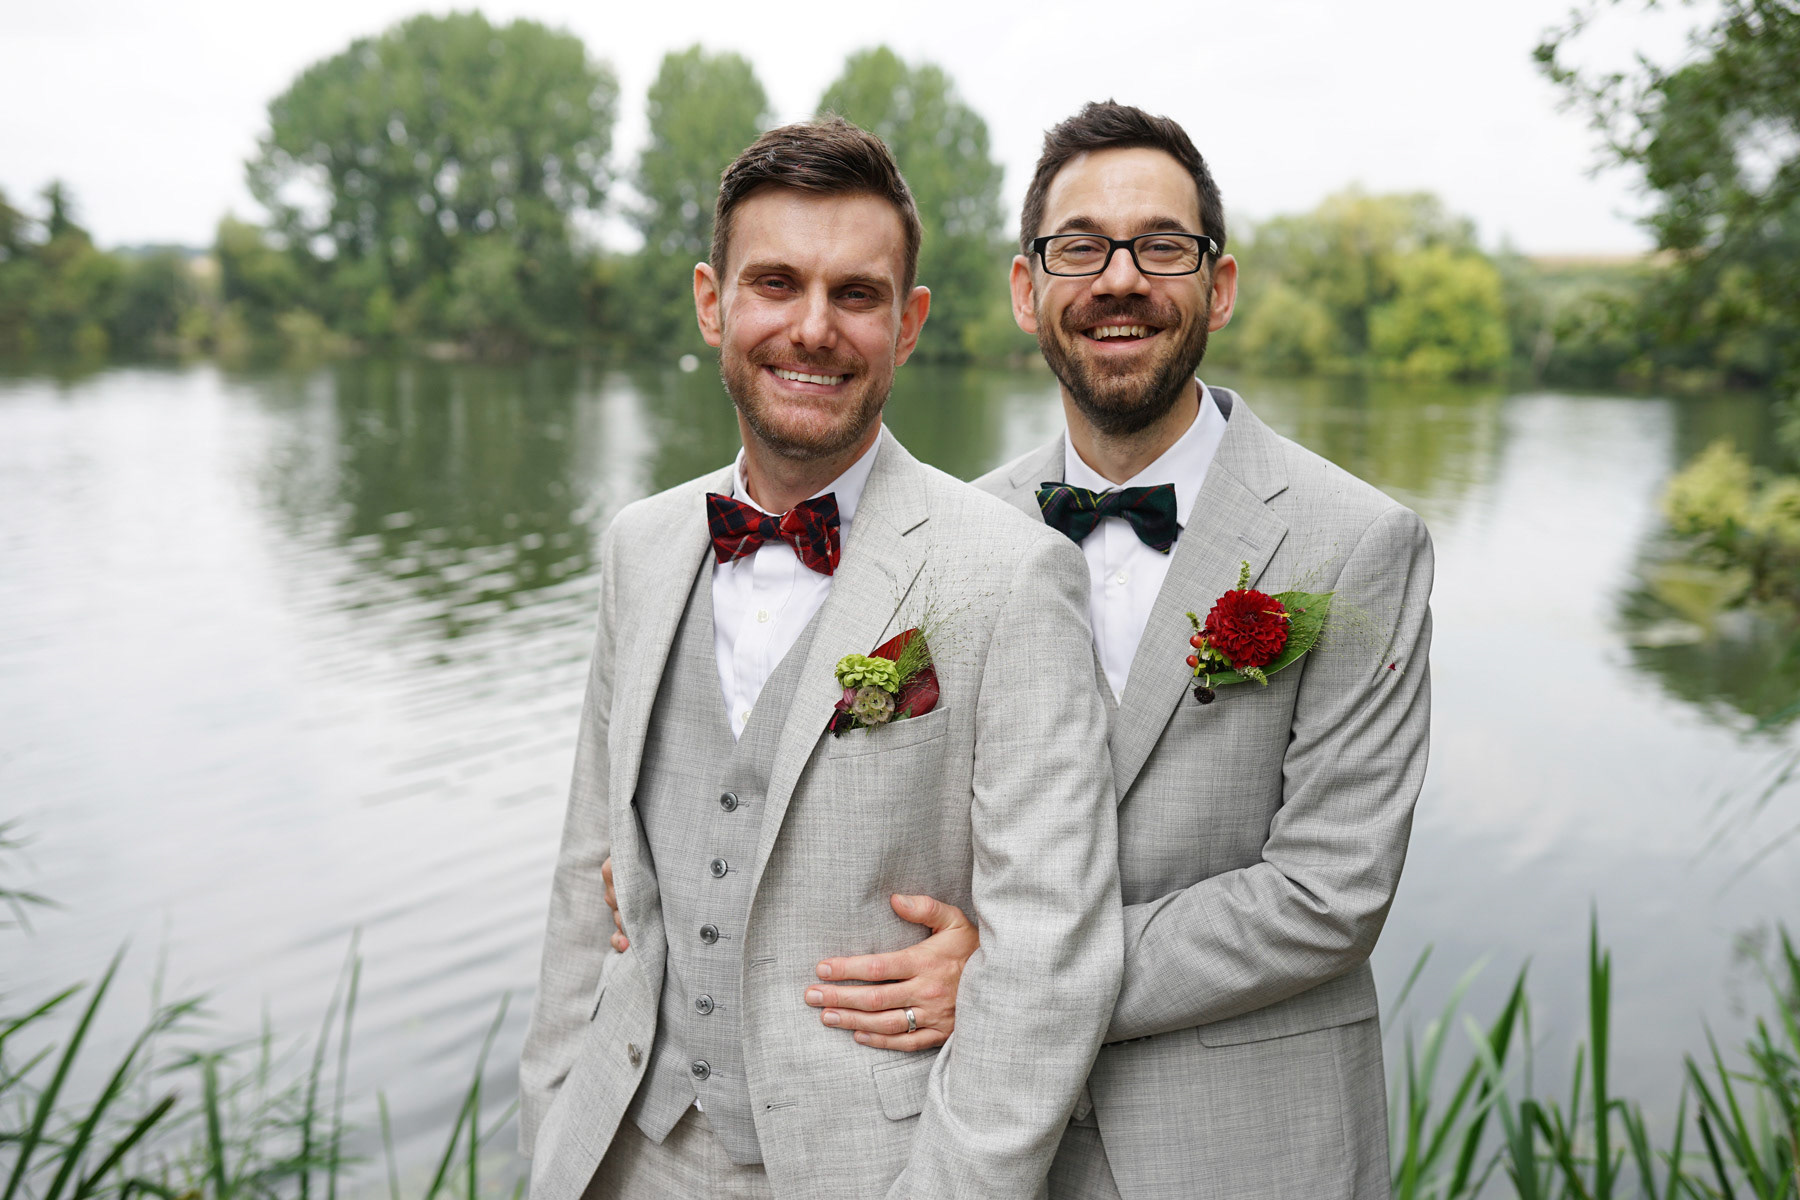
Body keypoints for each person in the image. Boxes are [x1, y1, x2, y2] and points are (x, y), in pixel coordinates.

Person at [791, 101, 1435, 1197]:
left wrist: (1015, 979)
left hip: (1251, 1155)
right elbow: (852, 792)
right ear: (1026, 291)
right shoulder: (942, 540)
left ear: (1218, 287)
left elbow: (1328, 895)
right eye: (1079, 248)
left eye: (1162, 247)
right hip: (997, 1149)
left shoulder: (1358, 542)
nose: (1120, 279)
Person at [518, 117, 1123, 1200]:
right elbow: (584, 881)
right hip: (618, 1150)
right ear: (712, 303)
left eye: (855, 294)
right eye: (775, 284)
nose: (812, 328)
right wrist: (552, 1125)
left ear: (908, 323)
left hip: (873, 1168)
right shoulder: (639, 546)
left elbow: (1047, 957)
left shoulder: (1014, 574)